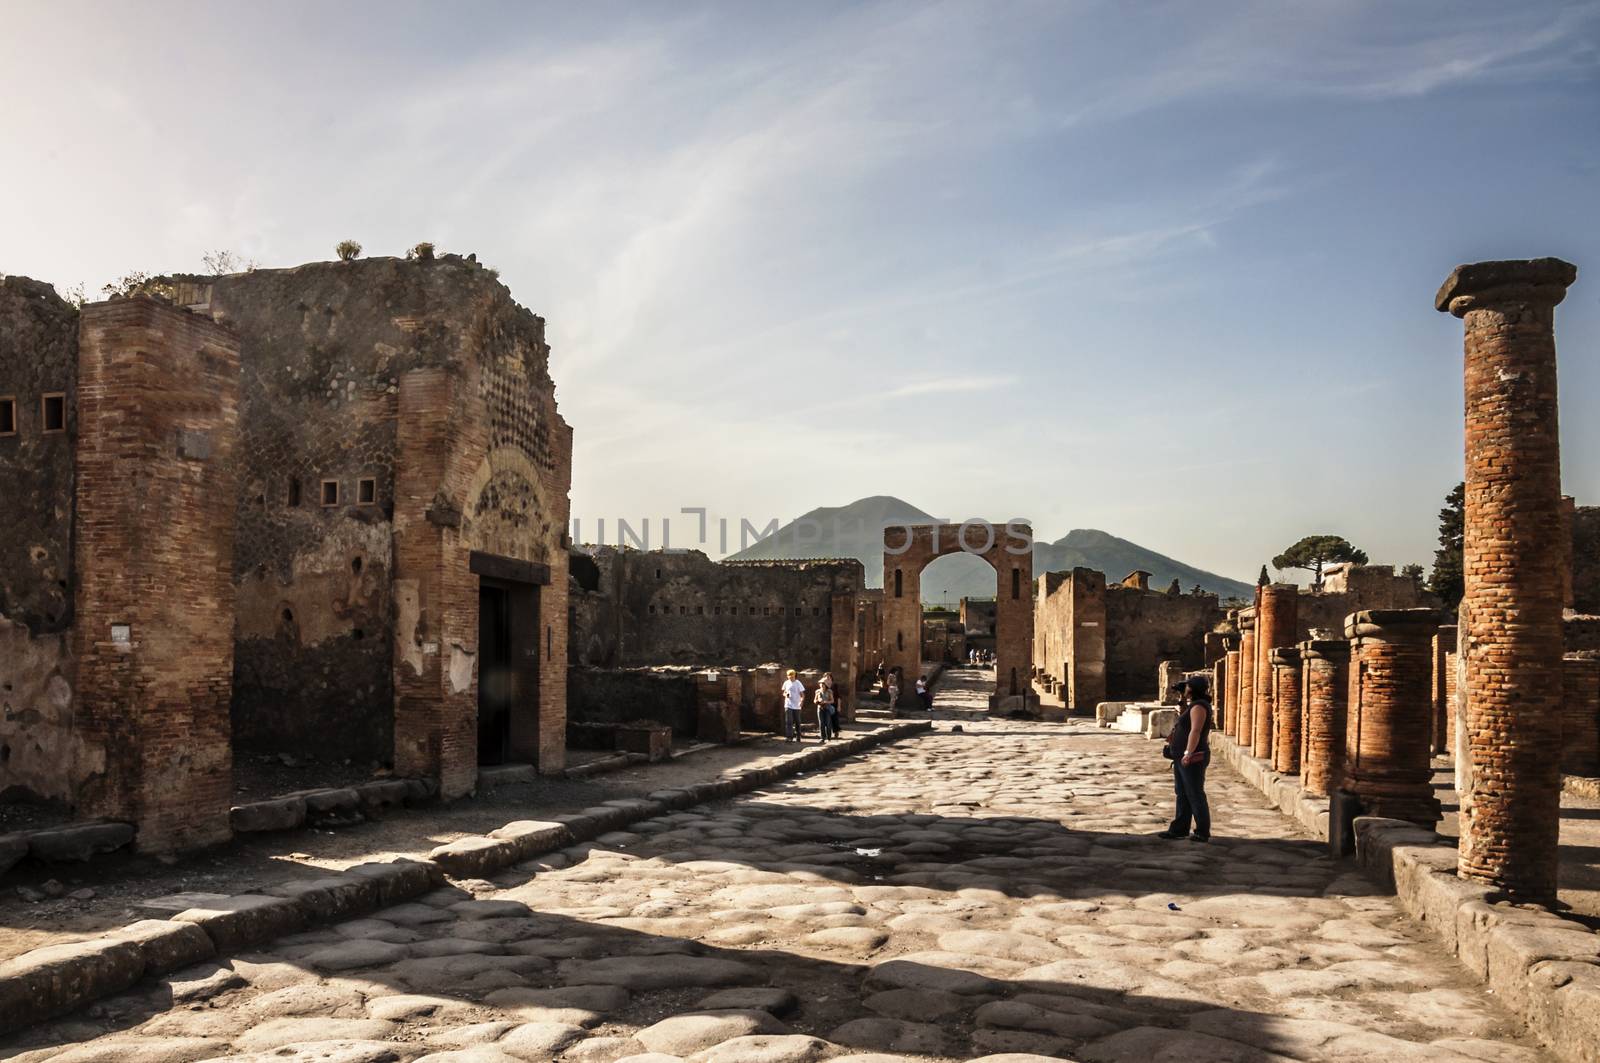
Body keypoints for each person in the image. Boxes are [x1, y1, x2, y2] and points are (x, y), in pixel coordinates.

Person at [1157, 675, 1213, 842]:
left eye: (1187, 687)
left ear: (1193, 688)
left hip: (1192, 757)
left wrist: (1189, 752)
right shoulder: (1192, 706)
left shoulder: (1199, 707)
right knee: (1182, 793)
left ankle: (1202, 831)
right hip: (1181, 755)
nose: (1185, 689)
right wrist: (1182, 698)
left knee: (1195, 793)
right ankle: (1179, 829)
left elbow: (1195, 731)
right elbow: (1183, 721)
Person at [781, 668, 806, 743]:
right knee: (789, 721)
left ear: (795, 675)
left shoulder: (798, 683)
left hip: (797, 705)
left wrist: (801, 701)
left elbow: (802, 694)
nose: (790, 677)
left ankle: (798, 736)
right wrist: (785, 695)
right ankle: (789, 737)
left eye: (792, 676)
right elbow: (784, 692)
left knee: (797, 722)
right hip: (788, 704)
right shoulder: (786, 683)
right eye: (789, 676)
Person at [816, 672, 839, 741]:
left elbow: (832, 700)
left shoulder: (829, 691)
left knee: (828, 723)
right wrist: (817, 702)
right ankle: (823, 737)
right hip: (820, 708)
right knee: (821, 723)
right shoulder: (817, 691)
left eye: (822, 684)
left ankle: (829, 737)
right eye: (820, 683)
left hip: (827, 708)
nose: (821, 685)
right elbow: (814, 700)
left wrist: (825, 702)